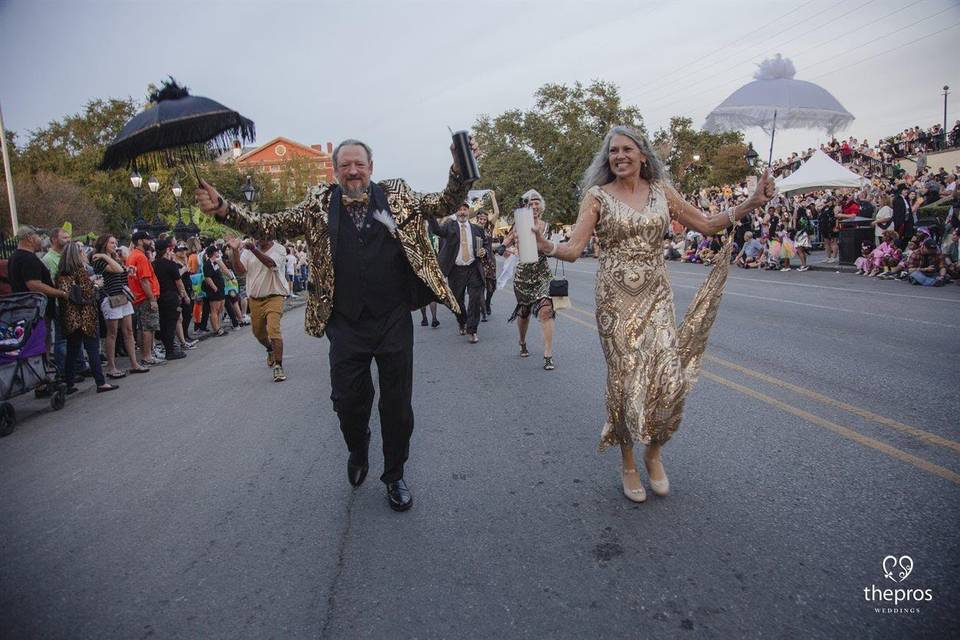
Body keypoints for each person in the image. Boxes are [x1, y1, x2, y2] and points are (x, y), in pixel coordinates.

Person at [195, 136, 476, 512]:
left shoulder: (398, 195)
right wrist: (224, 209)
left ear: (371, 167)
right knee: (347, 401)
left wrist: (460, 167)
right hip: (344, 322)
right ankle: (358, 447)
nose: (353, 171)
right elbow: (271, 223)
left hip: (392, 317)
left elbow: (442, 202)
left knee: (397, 405)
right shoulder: (317, 203)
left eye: (359, 164)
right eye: (345, 165)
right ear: (335, 170)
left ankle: (395, 475)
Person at [530, 125, 774, 503]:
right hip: (614, 299)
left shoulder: (662, 191)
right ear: (607, 159)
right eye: (613, 151)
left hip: (657, 297)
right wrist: (547, 245)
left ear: (643, 155)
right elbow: (575, 248)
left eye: (627, 149)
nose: (620, 156)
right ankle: (628, 461)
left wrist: (751, 204)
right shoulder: (596, 196)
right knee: (626, 382)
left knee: (668, 379)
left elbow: (707, 225)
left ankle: (654, 452)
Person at [500, 190, 557, 371]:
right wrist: (503, 247)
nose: (534, 206)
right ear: (525, 206)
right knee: (523, 311)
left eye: (537, 203)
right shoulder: (519, 224)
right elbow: (507, 241)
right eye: (530, 203)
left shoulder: (547, 226)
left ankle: (548, 354)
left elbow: (552, 247)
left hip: (542, 273)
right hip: (523, 274)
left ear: (541, 206)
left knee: (546, 310)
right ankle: (522, 341)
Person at [54, 242, 117, 394]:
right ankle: (100, 383)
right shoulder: (80, 271)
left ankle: (68, 383)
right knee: (92, 350)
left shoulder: (61, 274)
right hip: (86, 316)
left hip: (70, 318)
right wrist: (96, 285)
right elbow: (86, 294)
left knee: (72, 350)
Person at [227, 234, 290, 382]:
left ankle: (278, 366)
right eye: (256, 236)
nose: (258, 238)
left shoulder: (279, 249)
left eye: (261, 235)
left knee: (273, 330)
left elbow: (271, 264)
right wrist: (236, 252)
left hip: (275, 295)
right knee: (258, 333)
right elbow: (240, 271)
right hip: (255, 299)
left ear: (270, 236)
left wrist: (254, 249)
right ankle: (270, 349)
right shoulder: (248, 251)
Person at [8, 226, 69, 364]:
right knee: (39, 341)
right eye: (38, 237)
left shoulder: (15, 256)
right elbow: (34, 284)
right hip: (33, 310)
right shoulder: (28, 258)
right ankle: (41, 376)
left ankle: (44, 370)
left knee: (41, 340)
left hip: (27, 308)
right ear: (29, 238)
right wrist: (60, 293)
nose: (41, 240)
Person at [428, 202, 487, 343]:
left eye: (465, 209)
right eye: (459, 209)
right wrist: (430, 215)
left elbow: (485, 244)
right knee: (457, 301)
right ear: (456, 212)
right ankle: (462, 321)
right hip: (456, 270)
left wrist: (484, 251)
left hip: (473, 268)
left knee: (474, 300)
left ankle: (472, 331)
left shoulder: (477, 229)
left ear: (468, 212)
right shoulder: (450, 226)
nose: (462, 212)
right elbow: (436, 230)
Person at [92, 235, 148, 377]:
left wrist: (127, 269)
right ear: (104, 244)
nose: (115, 244)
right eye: (112, 242)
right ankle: (111, 367)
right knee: (112, 333)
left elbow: (122, 272)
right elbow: (116, 269)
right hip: (110, 298)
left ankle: (134, 363)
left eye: (115, 242)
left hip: (122, 297)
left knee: (129, 331)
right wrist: (105, 257)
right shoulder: (99, 260)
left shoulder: (113, 258)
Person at [127, 230, 163, 366]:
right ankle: (147, 356)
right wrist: (152, 299)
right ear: (140, 241)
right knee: (148, 328)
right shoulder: (140, 257)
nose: (150, 242)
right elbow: (144, 280)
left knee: (142, 328)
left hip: (138, 297)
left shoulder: (132, 256)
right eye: (147, 240)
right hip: (145, 297)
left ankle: (146, 355)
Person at [152, 238, 189, 361]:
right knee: (171, 323)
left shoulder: (153, 264)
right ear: (167, 250)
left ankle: (169, 348)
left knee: (164, 323)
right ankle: (170, 350)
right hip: (171, 296)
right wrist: (184, 295)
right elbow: (179, 283)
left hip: (159, 296)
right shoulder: (171, 265)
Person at [475, 210, 498, 320]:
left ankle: (488, 303)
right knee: (480, 287)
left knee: (490, 287)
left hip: (490, 261)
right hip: (478, 261)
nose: (482, 221)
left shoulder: (489, 229)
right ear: (477, 219)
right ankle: (483, 311)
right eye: (481, 219)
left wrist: (492, 196)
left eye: (484, 219)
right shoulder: (472, 230)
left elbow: (497, 213)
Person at [202, 245, 228, 337]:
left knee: (220, 308)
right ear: (213, 253)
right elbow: (207, 277)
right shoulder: (207, 264)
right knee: (214, 309)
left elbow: (224, 270)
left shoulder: (216, 262)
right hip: (214, 290)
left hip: (221, 287)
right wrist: (214, 287)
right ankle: (216, 329)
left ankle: (219, 326)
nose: (218, 253)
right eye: (216, 251)